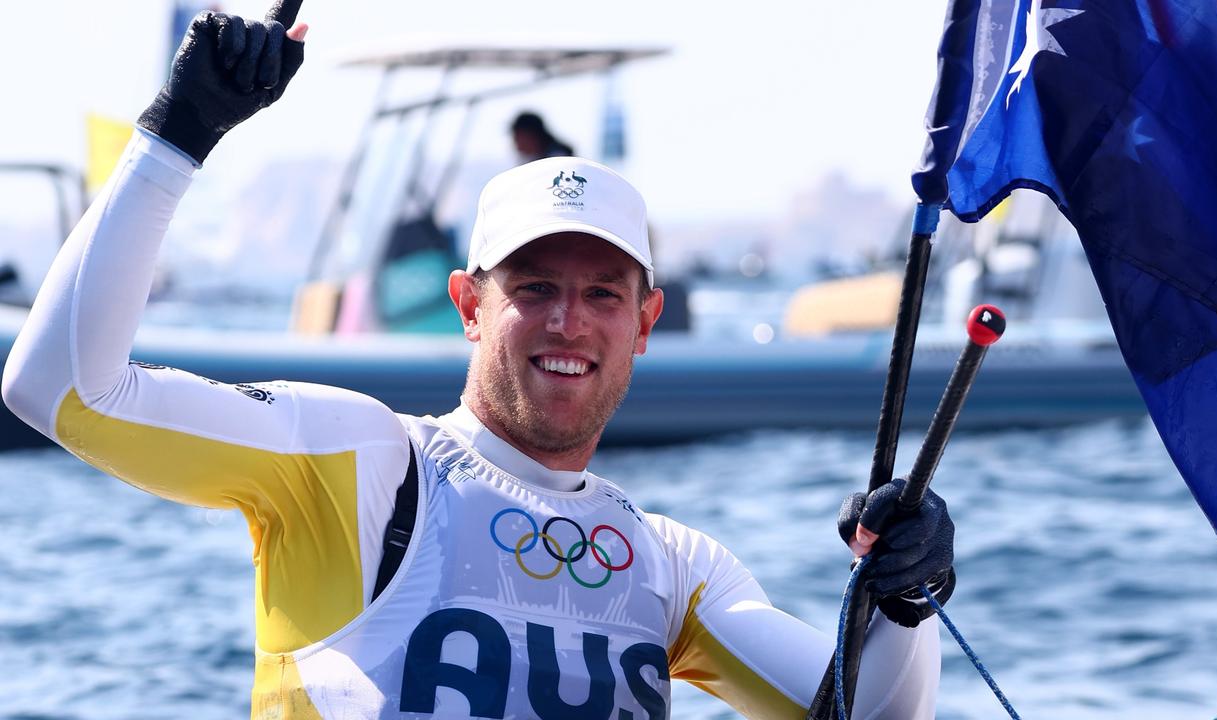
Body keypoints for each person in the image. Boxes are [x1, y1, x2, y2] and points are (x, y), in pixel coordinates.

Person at [2, 2, 956, 718]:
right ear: (468, 305)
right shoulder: (363, 463)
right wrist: (178, 135)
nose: (568, 324)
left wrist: (906, 599)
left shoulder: (676, 567)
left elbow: (869, 716)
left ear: (646, 320)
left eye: (601, 295)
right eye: (533, 289)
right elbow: (64, 390)